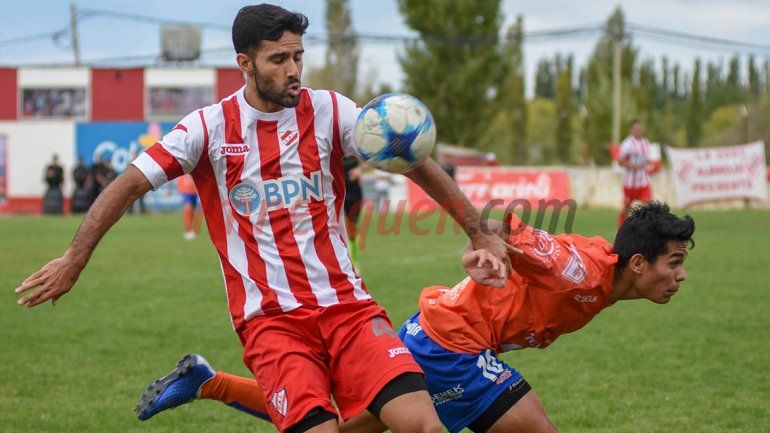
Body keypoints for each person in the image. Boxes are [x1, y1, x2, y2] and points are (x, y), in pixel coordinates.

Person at [14, 5, 515, 433]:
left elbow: (410, 157)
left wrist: (477, 230)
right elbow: (126, 185)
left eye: (298, 56)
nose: (293, 69)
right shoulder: (208, 128)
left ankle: (213, 383)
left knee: (424, 424)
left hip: (349, 309)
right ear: (245, 63)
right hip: (271, 323)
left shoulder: (330, 110)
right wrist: (74, 258)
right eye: (278, 59)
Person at [134, 201, 694, 433]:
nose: (681, 276)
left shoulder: (600, 272)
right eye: (674, 263)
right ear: (637, 263)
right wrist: (482, 244)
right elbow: (505, 225)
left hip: (431, 332)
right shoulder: (581, 268)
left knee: (338, 425)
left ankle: (207, 382)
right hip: (454, 345)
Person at [617, 119, 652, 227]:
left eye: (640, 129)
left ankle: (647, 229)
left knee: (649, 206)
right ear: (631, 130)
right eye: (636, 129)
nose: (639, 131)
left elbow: (647, 159)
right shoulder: (627, 144)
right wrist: (633, 166)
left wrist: (648, 164)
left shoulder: (645, 142)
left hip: (643, 182)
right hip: (630, 183)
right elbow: (619, 161)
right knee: (627, 207)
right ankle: (620, 227)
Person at [342, 156, 363, 268]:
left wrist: (360, 169)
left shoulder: (355, 147)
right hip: (335, 188)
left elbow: (369, 159)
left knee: (352, 227)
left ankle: (354, 260)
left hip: (353, 190)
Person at [177, 174, 202, 240]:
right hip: (186, 188)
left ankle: (192, 229)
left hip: (194, 189)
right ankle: (188, 230)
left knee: (194, 210)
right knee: (188, 207)